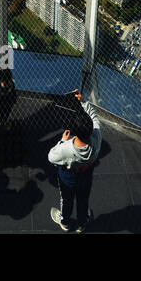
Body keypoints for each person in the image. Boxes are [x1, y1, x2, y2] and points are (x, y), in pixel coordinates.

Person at [48, 90, 102, 233]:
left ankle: (65, 222)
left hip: (68, 178)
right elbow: (94, 117)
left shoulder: (66, 148)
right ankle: (82, 223)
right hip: (86, 176)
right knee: (83, 199)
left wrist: (63, 140)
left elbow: (51, 157)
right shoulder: (96, 137)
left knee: (66, 200)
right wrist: (83, 102)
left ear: (73, 132)